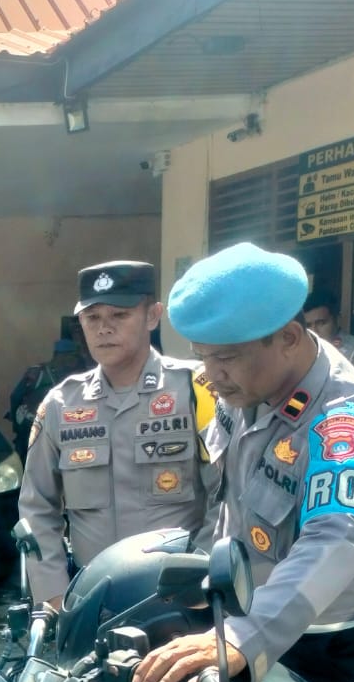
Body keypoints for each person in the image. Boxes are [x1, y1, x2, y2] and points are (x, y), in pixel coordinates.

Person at [133, 242, 354, 682]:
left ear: (287, 337)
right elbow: (226, 501)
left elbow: (336, 538)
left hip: (340, 646)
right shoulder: (243, 390)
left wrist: (245, 636)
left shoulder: (345, 420)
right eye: (203, 355)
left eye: (225, 358)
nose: (211, 375)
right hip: (251, 620)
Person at [17, 261, 212, 609]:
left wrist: (205, 580)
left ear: (152, 316)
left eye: (119, 316)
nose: (104, 329)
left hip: (181, 599)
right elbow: (37, 507)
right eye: (92, 318)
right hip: (92, 601)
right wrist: (54, 594)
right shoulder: (61, 404)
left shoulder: (197, 390)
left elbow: (227, 497)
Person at [8, 337, 86, 450]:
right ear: (60, 355)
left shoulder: (70, 375)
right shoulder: (37, 373)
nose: (74, 360)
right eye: (71, 356)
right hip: (31, 426)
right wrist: (16, 426)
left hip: (55, 429)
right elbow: (15, 396)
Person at [301, 287, 354, 381]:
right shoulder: (298, 353)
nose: (314, 330)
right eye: (308, 325)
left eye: (321, 323)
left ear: (337, 319)